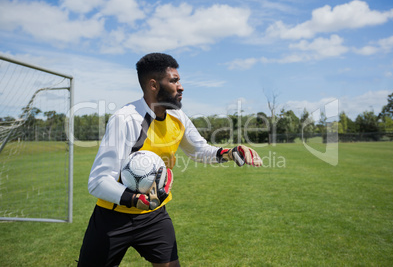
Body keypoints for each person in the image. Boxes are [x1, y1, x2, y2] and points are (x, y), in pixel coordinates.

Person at [77, 53, 262, 267]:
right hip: (113, 217)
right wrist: (136, 200)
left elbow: (199, 150)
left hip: (155, 215)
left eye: (179, 80)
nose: (181, 87)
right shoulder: (126, 119)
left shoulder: (178, 117)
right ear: (154, 85)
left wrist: (231, 152)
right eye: (174, 80)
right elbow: (98, 181)